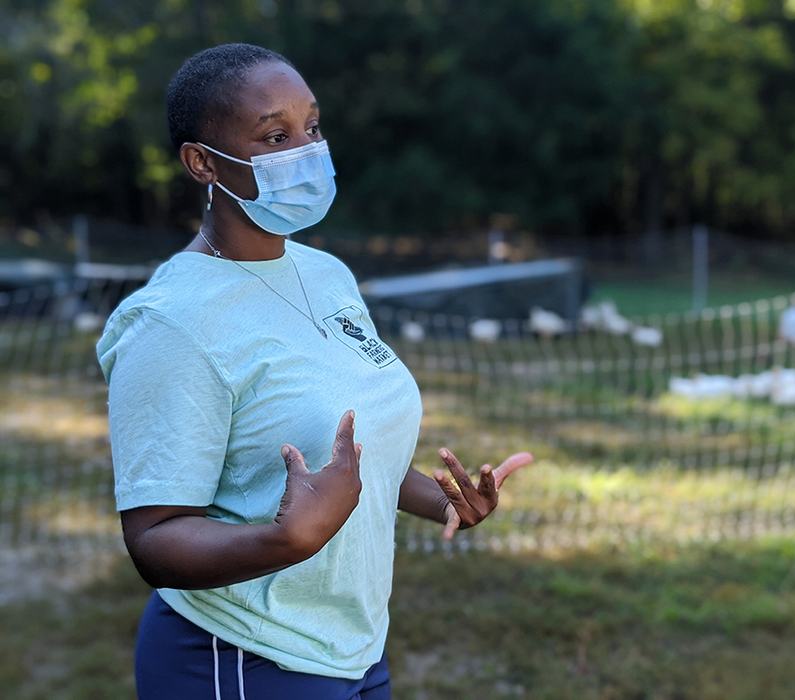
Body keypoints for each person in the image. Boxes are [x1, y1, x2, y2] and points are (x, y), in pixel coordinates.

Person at [96, 43, 533, 700]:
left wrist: (438, 500)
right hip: (240, 658)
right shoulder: (171, 323)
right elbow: (153, 538)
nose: (306, 151)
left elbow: (343, 452)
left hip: (352, 646)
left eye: (312, 127)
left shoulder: (324, 274)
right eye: (275, 135)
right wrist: (283, 540)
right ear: (202, 162)